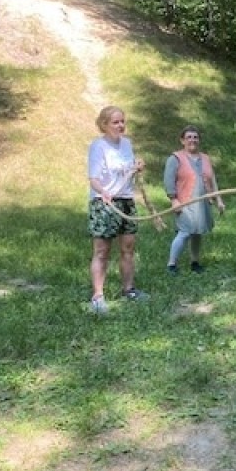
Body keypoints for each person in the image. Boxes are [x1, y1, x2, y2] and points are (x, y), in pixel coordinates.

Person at [87, 105, 148, 314]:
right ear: (104, 124)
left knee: (128, 248)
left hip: (126, 201)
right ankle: (97, 296)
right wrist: (103, 192)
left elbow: (127, 171)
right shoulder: (98, 146)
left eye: (122, 121)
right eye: (115, 122)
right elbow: (93, 179)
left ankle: (129, 290)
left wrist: (137, 167)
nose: (120, 125)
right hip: (104, 202)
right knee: (102, 251)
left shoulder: (127, 144)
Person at [164, 125, 225, 274]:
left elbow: (212, 180)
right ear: (182, 140)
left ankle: (195, 262)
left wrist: (218, 200)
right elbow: (168, 181)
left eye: (195, 137)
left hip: (202, 203)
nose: (192, 140)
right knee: (185, 232)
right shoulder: (175, 158)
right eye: (189, 137)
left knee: (198, 232)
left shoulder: (205, 158)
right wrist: (174, 200)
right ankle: (172, 264)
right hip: (185, 202)